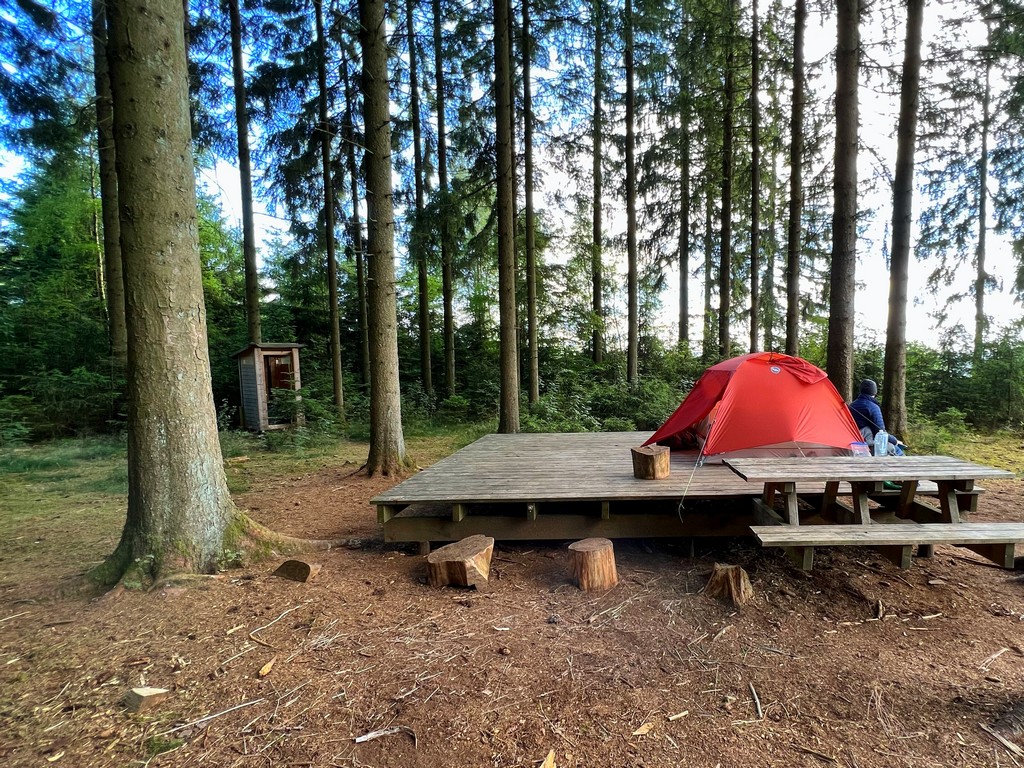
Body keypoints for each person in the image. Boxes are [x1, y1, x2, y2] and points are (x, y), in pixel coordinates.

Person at [848, 379, 905, 455]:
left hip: (853, 443)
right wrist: (895, 441)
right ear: (874, 392)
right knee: (898, 452)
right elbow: (880, 432)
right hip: (867, 444)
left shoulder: (852, 405)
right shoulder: (873, 407)